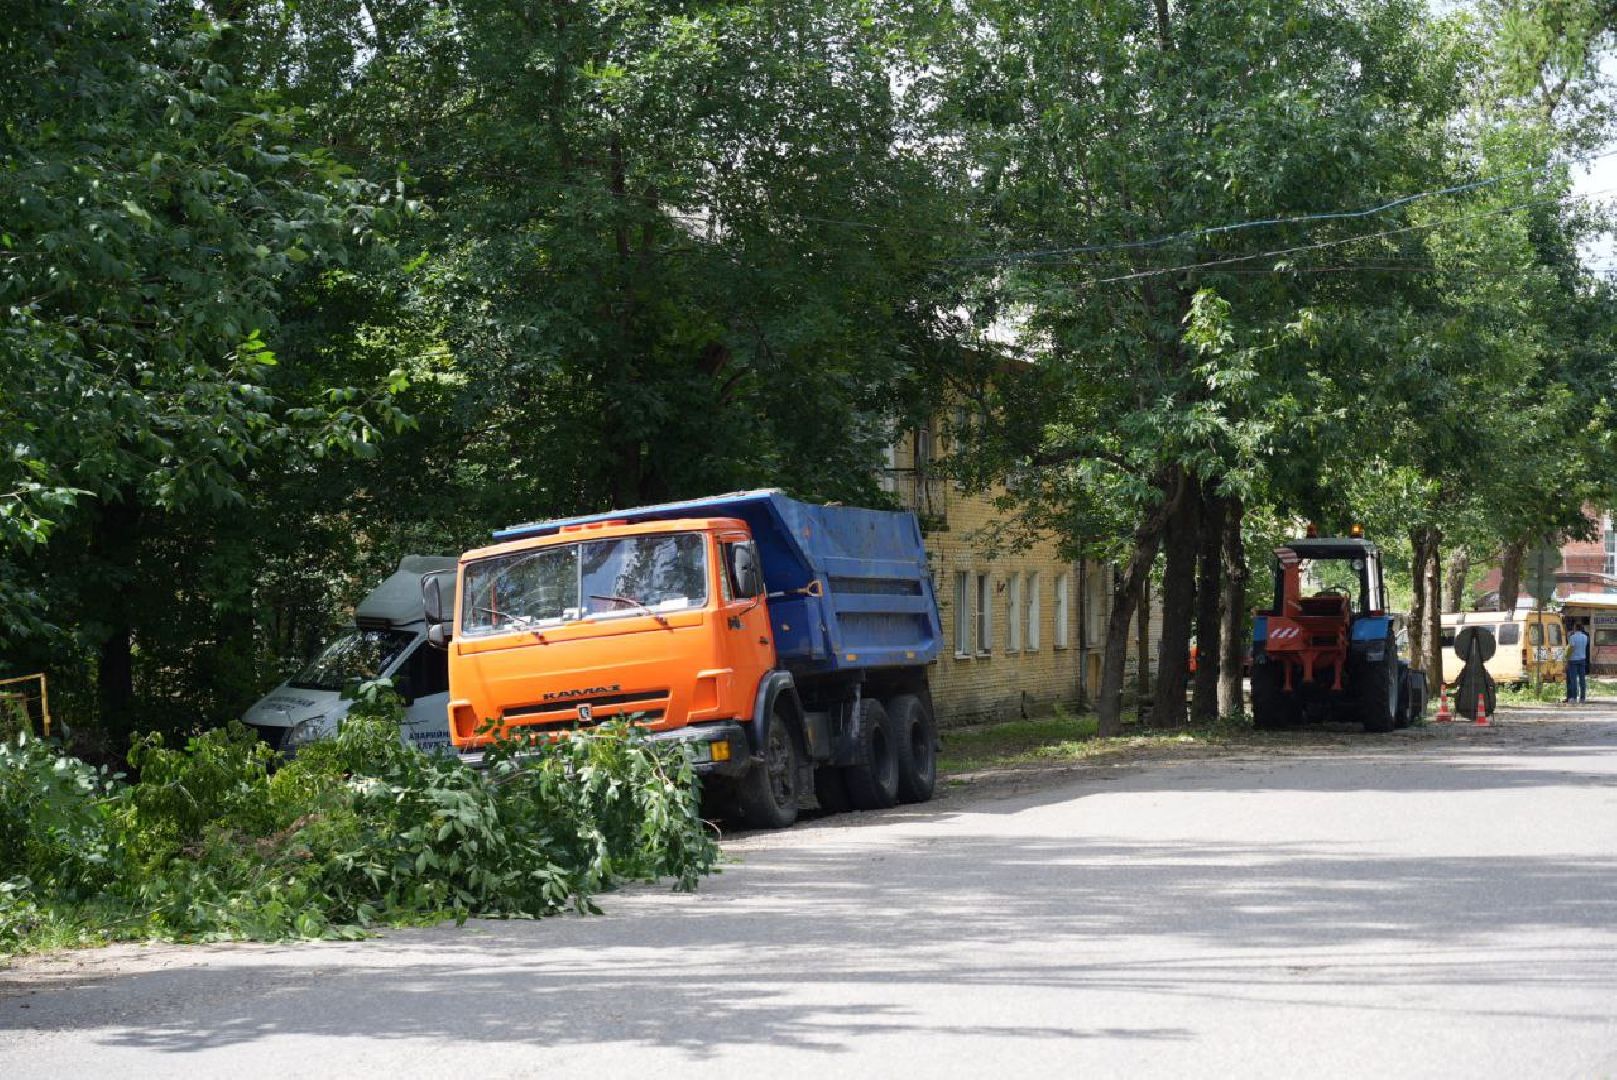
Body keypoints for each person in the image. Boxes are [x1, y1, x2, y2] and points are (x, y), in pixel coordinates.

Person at [1565, 622, 1590, 704]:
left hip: (1573, 660)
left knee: (1573, 680)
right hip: (1582, 659)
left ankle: (1574, 698)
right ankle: (1582, 698)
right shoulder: (1586, 637)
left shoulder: (1572, 637)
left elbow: (1571, 648)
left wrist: (1566, 658)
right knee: (1582, 680)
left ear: (1575, 628)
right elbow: (1585, 647)